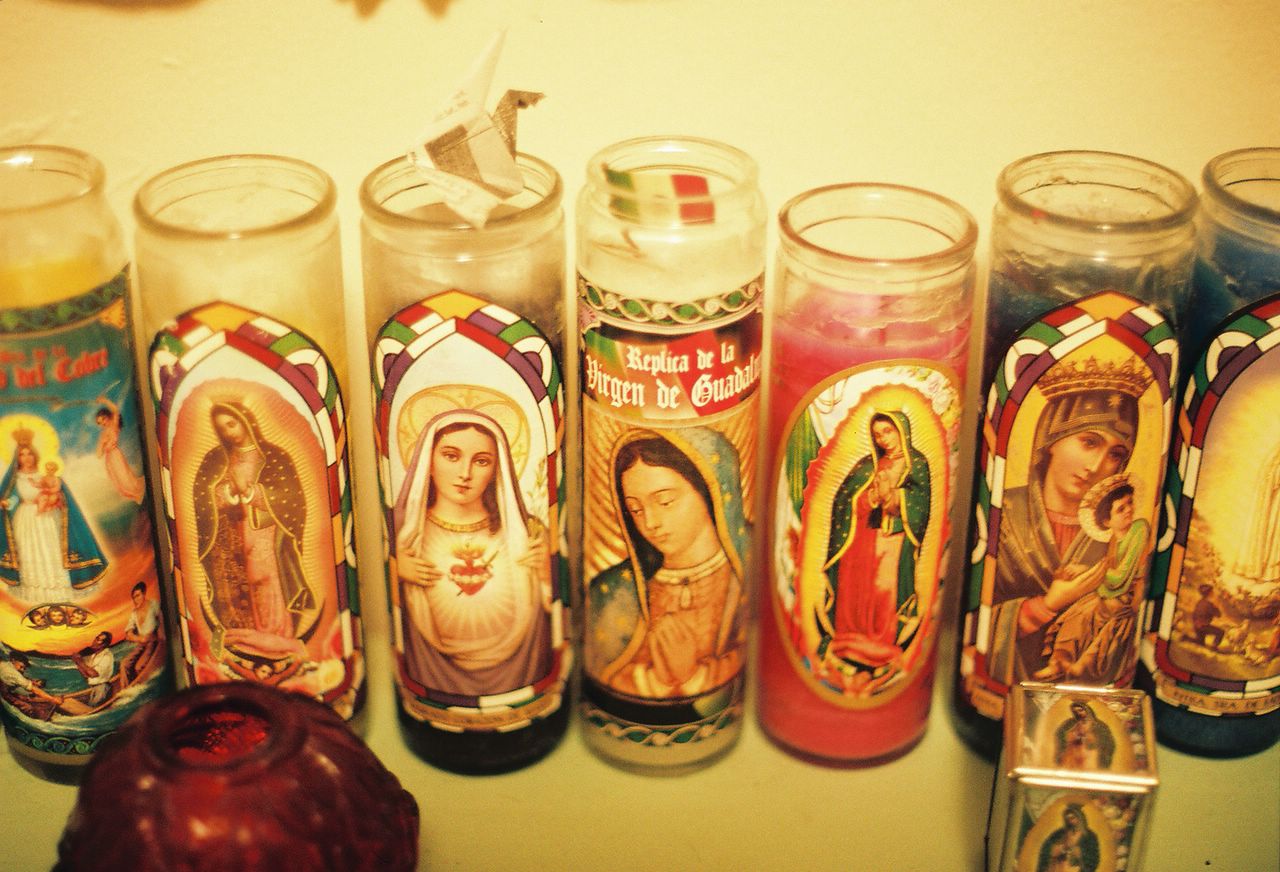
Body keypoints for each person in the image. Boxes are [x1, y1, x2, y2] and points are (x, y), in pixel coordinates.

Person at [987, 359, 1150, 686]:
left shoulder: (1117, 530)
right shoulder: (1005, 514)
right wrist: (1048, 605)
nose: (1097, 465)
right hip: (1008, 685)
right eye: (1089, 442)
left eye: (1116, 454)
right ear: (1052, 438)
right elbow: (980, 619)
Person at [394, 410, 552, 697]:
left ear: (496, 470)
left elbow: (553, 611)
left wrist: (546, 574)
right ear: (428, 460)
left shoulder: (525, 532)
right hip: (433, 671)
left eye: (481, 461)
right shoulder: (406, 534)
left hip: (518, 667)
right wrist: (396, 570)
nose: (464, 474)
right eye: (451, 456)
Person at [588, 428, 748, 699]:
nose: (650, 523)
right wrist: (657, 680)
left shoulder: (744, 565)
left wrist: (694, 676)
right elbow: (606, 672)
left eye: (665, 501)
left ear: (709, 491)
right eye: (636, 510)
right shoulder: (616, 591)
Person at [194, 401, 315, 664]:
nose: (229, 433)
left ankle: (278, 641)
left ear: (245, 420)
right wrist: (225, 494)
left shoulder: (273, 457)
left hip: (265, 534)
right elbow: (204, 498)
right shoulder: (217, 460)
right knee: (244, 590)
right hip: (233, 540)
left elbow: (291, 500)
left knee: (267, 583)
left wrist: (252, 493)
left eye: (232, 424)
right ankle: (256, 644)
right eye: (222, 429)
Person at [823, 410, 930, 667]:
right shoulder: (868, 464)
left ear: (901, 430)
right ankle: (849, 638)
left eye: (888, 431)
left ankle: (881, 644)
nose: (883, 439)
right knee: (856, 585)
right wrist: (869, 498)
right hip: (863, 537)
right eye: (877, 435)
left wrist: (893, 498)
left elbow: (921, 505)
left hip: (892, 538)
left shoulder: (917, 464)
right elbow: (846, 500)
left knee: (884, 587)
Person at [1036, 478, 1151, 682]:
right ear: (1107, 521)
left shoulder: (1139, 529)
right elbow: (1110, 569)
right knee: (1077, 614)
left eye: (1130, 503)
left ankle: (1080, 668)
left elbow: (1123, 574)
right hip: (1109, 593)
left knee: (1102, 617)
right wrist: (1084, 571)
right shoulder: (1116, 538)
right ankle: (1058, 662)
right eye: (1120, 508)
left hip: (1127, 595)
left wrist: (1093, 576)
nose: (1128, 510)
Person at [0, 427, 107, 603]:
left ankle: (59, 591)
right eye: (22, 454)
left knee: (51, 551)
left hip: (49, 519)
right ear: (17, 458)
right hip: (25, 521)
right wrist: (6, 503)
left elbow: (60, 493)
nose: (26, 458)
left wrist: (55, 500)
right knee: (29, 554)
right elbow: (12, 498)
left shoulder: (46, 474)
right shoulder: (15, 478)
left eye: (29, 453)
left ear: (34, 455)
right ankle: (36, 594)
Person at [95, 399, 145, 503]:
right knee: (119, 481)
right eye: (100, 422)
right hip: (109, 460)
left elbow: (115, 410)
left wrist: (104, 401)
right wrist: (101, 443)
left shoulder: (114, 425)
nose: (103, 423)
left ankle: (139, 493)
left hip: (116, 455)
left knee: (125, 477)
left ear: (108, 416)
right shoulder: (102, 435)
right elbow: (99, 455)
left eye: (103, 419)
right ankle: (136, 496)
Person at [1036, 802, 1101, 872]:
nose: (1070, 821)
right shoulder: (1060, 833)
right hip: (1058, 868)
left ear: (1080, 818)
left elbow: (1094, 858)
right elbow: (1045, 849)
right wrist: (1059, 849)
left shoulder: (1090, 836)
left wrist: (1081, 854)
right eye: (1067, 819)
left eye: (1073, 818)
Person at [0, 649, 63, 720]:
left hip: (8, 694)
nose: (22, 670)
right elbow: (33, 689)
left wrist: (32, 682)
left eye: (24, 668)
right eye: (21, 667)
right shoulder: (12, 672)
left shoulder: (7, 665)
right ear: (13, 660)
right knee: (28, 708)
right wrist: (53, 699)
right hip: (6, 696)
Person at [1053, 700, 1116, 769]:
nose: (1079, 713)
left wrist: (1091, 738)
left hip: (1090, 753)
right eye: (1076, 711)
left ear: (1087, 710)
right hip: (1073, 753)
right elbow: (1061, 734)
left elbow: (1106, 740)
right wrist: (1072, 736)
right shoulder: (1071, 723)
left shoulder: (1099, 725)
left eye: (1080, 710)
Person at [121, 581, 163, 684]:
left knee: (139, 667)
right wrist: (139, 638)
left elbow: (162, 620)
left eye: (137, 596)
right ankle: (125, 691)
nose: (135, 600)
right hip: (141, 643)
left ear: (144, 594)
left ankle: (141, 685)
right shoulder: (134, 613)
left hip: (153, 641)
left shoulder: (153, 604)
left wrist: (160, 636)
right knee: (124, 664)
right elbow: (128, 634)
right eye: (134, 597)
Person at [72, 632, 115, 707]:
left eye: (98, 639)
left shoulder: (106, 656)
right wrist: (77, 662)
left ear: (103, 645)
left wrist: (80, 662)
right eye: (96, 637)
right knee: (91, 706)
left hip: (102, 688)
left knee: (94, 708)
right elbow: (86, 675)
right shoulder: (93, 656)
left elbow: (94, 674)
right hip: (94, 688)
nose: (94, 641)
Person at [1190, 583, 1226, 649]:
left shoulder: (1200, 602)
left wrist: (1196, 623)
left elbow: (1194, 614)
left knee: (1200, 642)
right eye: (1211, 592)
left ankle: (1186, 638)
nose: (1213, 593)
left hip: (1197, 627)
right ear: (1209, 593)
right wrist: (1216, 606)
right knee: (1221, 632)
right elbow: (1218, 614)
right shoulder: (1209, 604)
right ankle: (1214, 646)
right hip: (1203, 627)